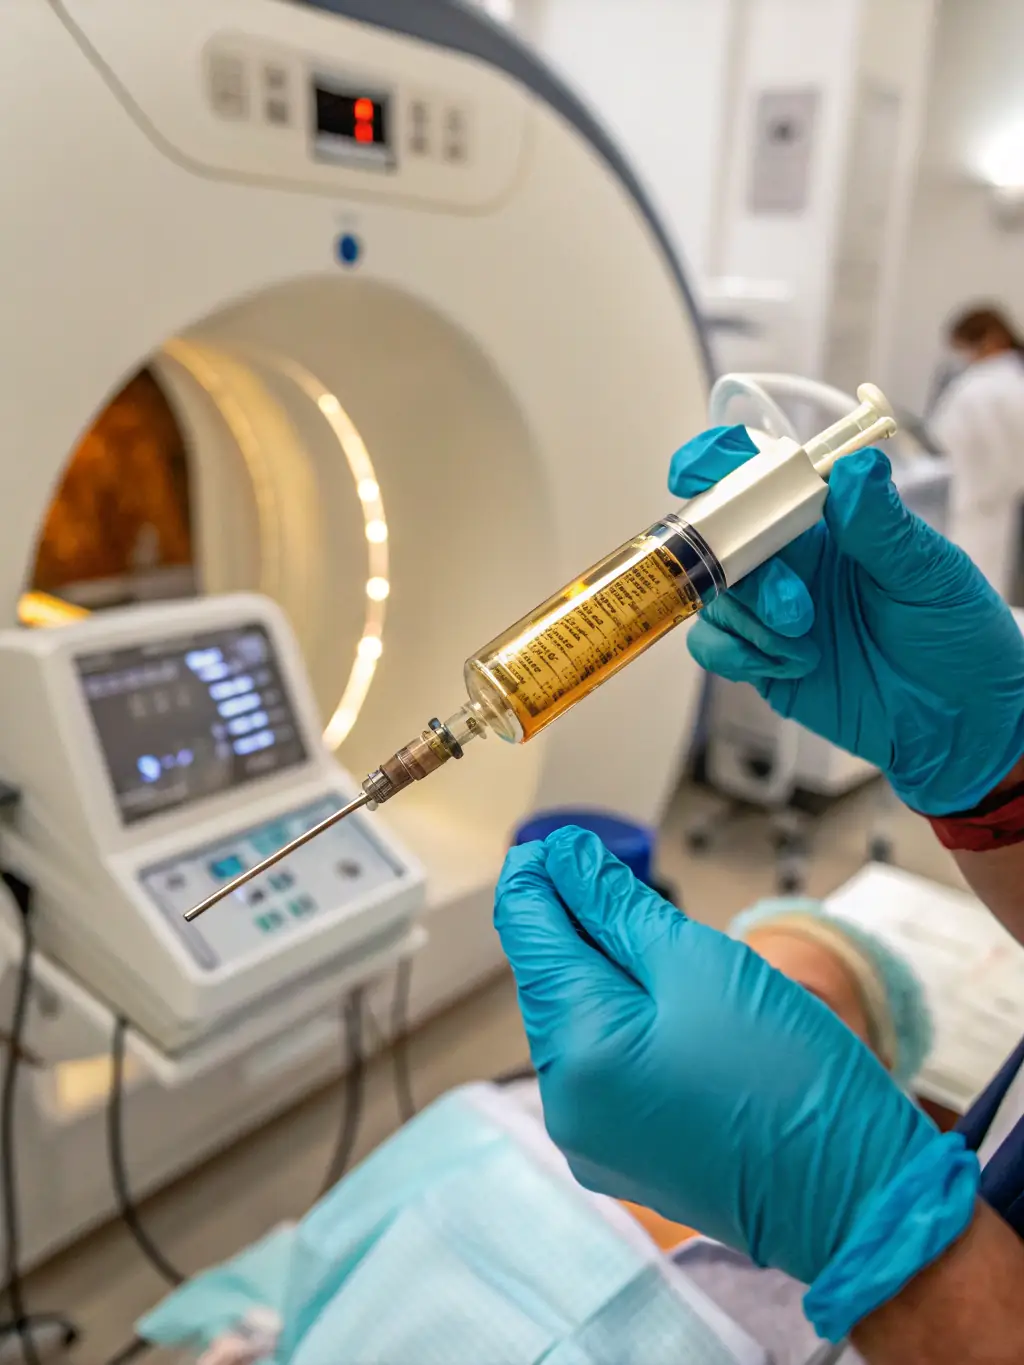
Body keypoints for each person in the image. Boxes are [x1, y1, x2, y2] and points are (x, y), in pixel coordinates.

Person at [495, 424, 1024, 1363]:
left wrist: (900, 1258)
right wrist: (1003, 784)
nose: (760, 998)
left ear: (885, 1077)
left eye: (802, 1007)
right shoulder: (490, 1131)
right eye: (750, 977)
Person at [930, 304, 1024, 600]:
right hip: (999, 500)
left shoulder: (980, 386)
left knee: (965, 582)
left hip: (973, 498)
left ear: (991, 339)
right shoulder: (1012, 381)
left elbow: (943, 438)